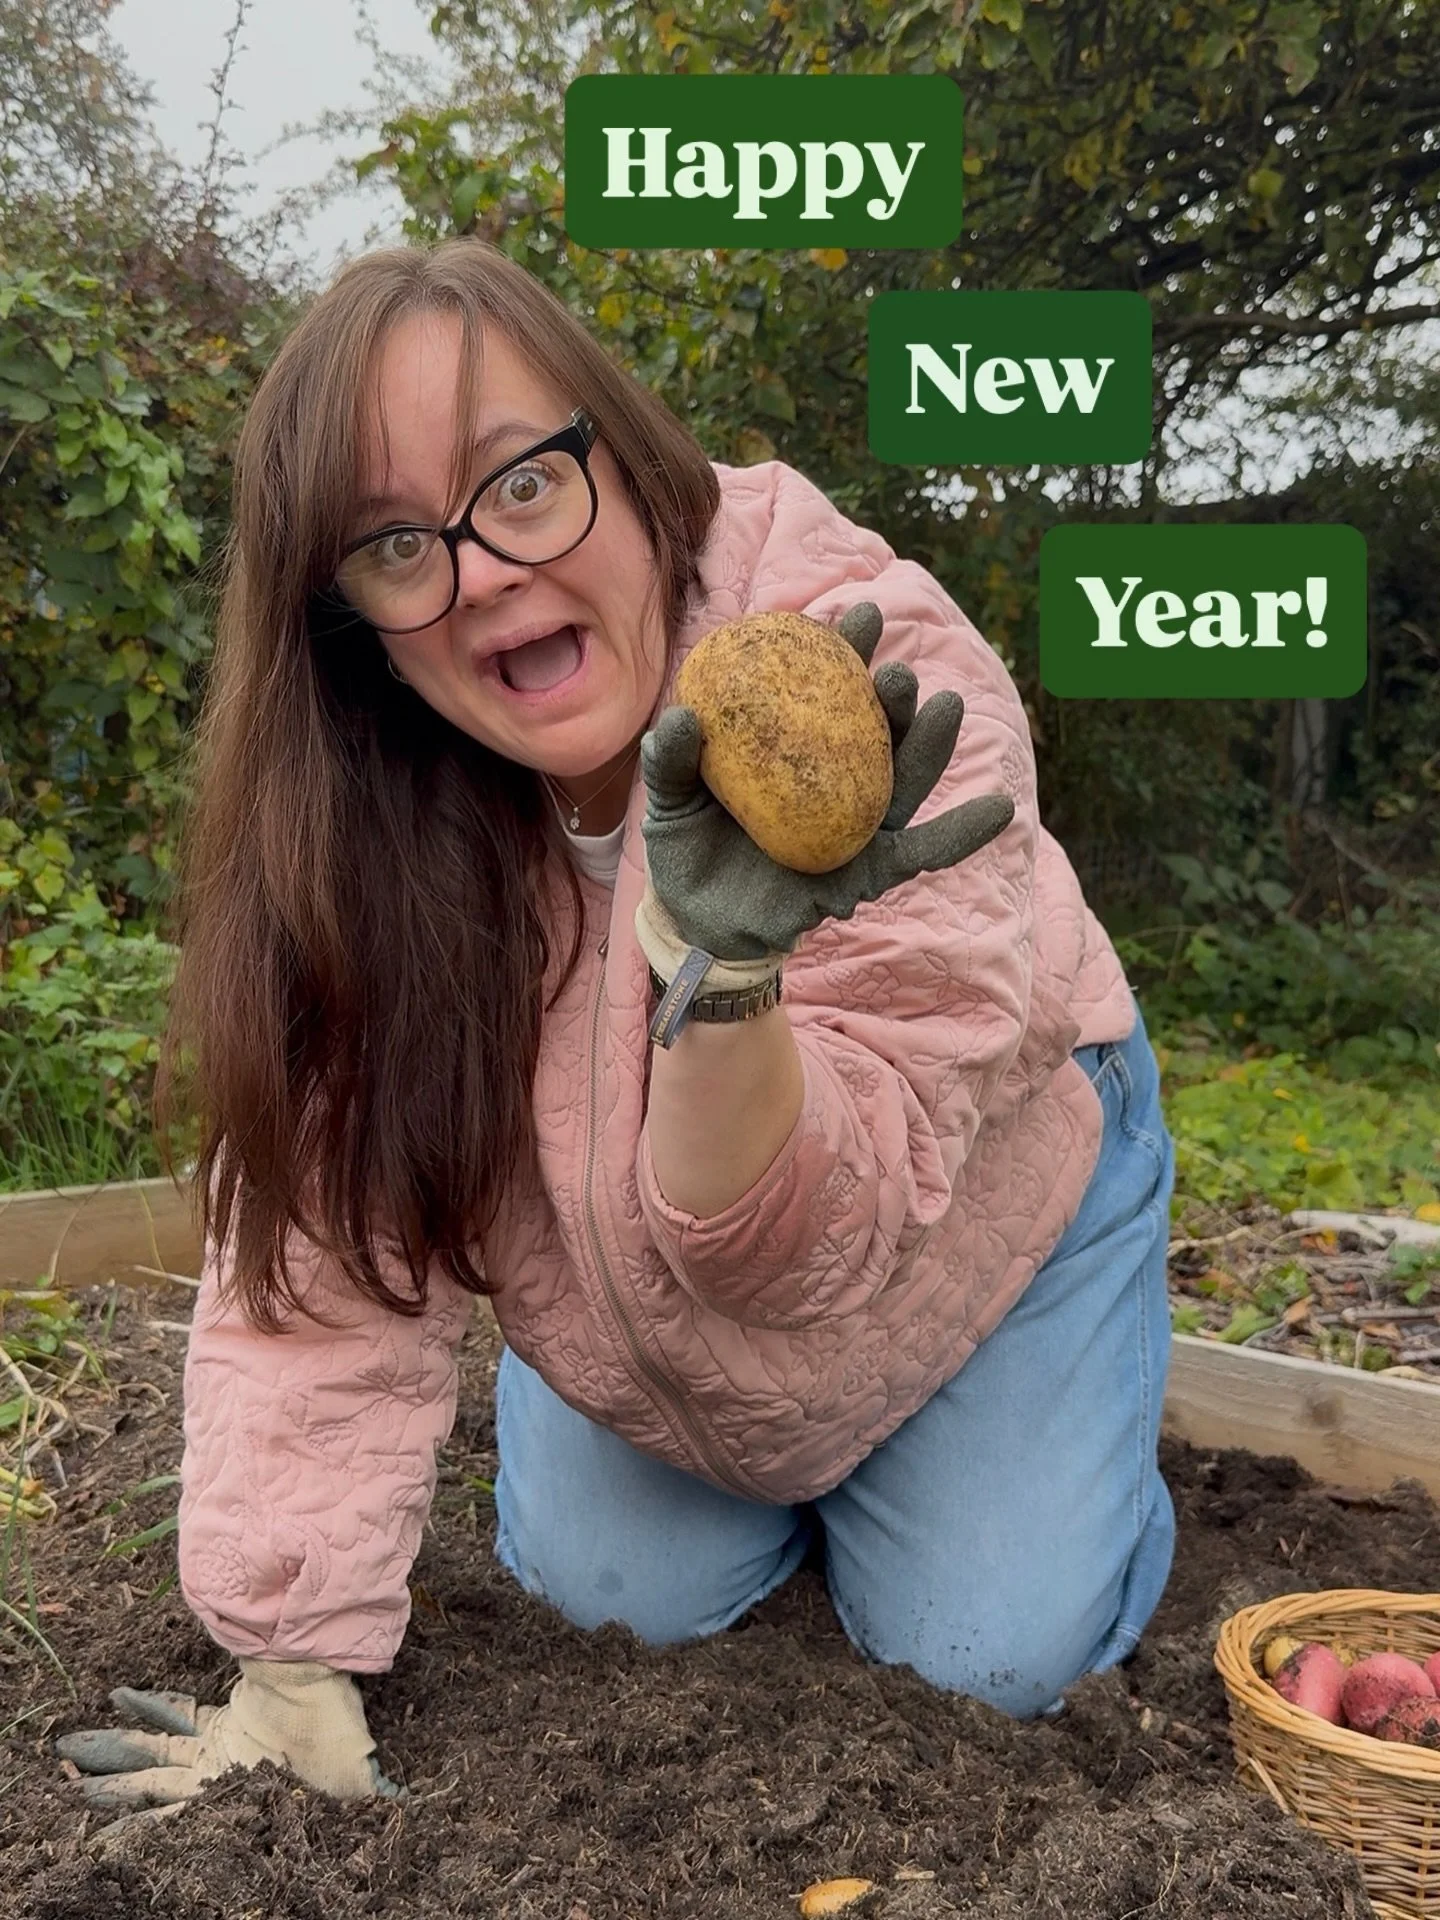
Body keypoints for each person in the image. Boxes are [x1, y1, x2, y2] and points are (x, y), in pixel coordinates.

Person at [57, 237, 1177, 1816]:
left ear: (628, 456)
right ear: (349, 621)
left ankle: (1070, 1400)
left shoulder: (876, 682)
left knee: (986, 1662)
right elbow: (324, 1252)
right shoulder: (363, 827)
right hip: (646, 1294)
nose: (485, 571)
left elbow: (808, 1247)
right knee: (609, 1610)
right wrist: (293, 1662)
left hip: (961, 1225)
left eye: (521, 482)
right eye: (395, 540)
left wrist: (717, 980)